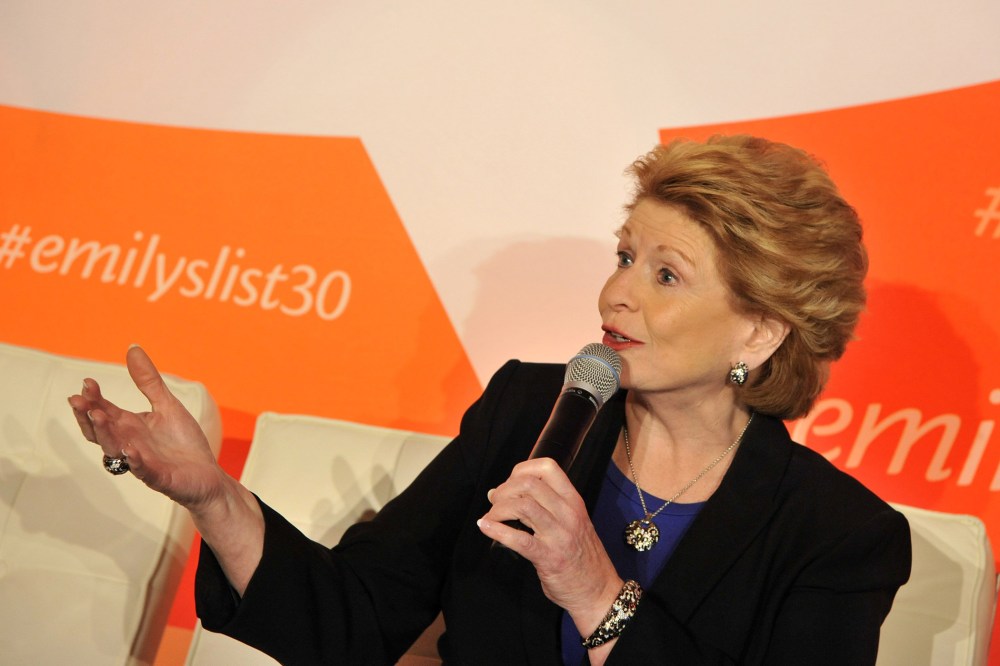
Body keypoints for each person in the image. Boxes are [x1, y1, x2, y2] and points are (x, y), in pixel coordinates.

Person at [68, 135, 910, 665]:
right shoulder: (527, 411)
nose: (615, 294)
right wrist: (215, 498)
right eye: (625, 256)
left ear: (758, 333)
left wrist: (594, 590)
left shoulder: (838, 538)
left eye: (666, 275)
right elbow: (353, 622)